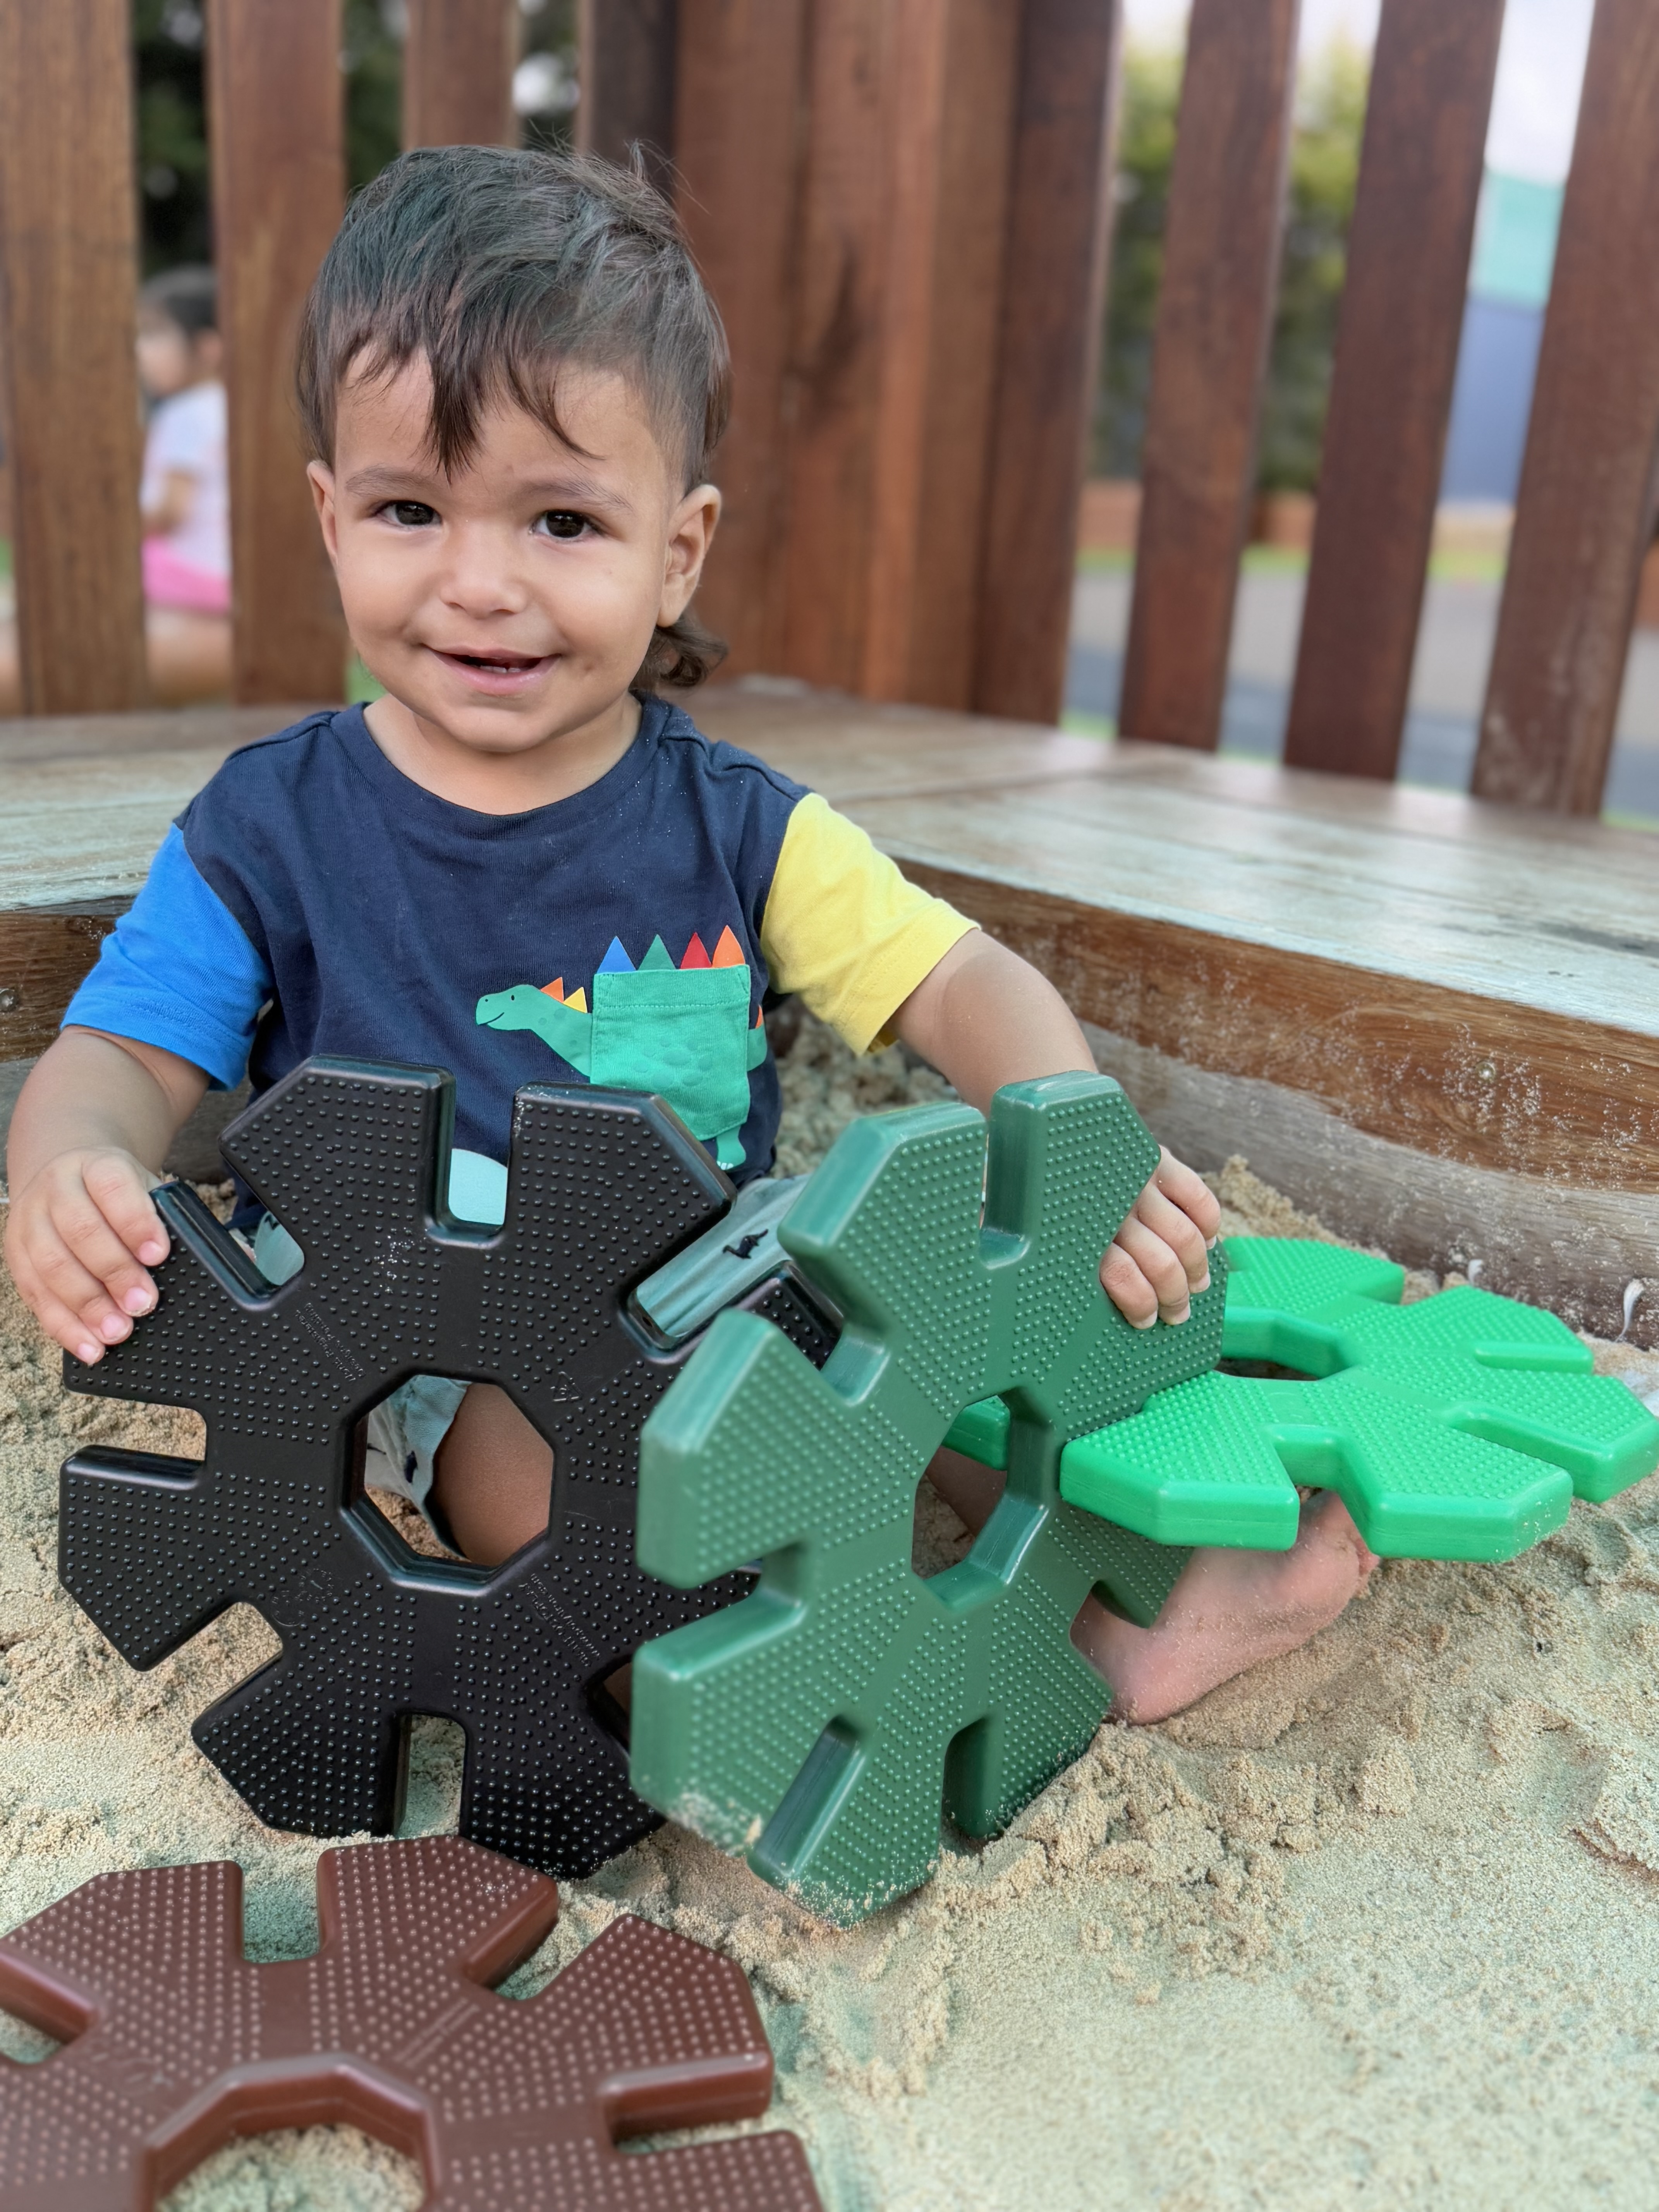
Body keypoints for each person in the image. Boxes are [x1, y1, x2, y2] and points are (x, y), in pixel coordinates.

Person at [2, 146, 1374, 1723]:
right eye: (409, 508)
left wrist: (1069, 1133)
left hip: (720, 1264)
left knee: (909, 1351)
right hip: (430, 1338)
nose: (481, 583)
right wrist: (70, 1170)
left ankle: (1108, 1611)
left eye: (563, 522)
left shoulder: (744, 827)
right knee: (559, 1487)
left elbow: (960, 979)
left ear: (679, 550)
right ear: (329, 519)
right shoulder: (268, 831)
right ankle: (745, 1681)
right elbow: (112, 1059)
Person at [136, 264, 233, 703]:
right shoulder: (223, 405)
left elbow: (171, 512)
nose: (141, 351)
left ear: (207, 347)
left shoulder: (185, 413)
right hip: (223, 572)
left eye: (155, 334)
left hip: (191, 576)